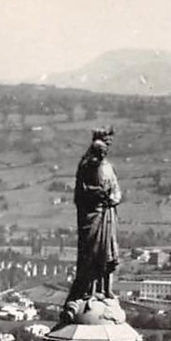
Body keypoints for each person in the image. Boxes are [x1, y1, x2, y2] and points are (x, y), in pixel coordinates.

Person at [65, 128, 122, 304]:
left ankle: (106, 289)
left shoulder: (109, 167)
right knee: (91, 252)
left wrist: (114, 198)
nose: (106, 151)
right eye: (103, 147)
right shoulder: (86, 166)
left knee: (108, 251)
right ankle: (88, 290)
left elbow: (116, 189)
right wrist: (97, 195)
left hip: (107, 214)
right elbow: (81, 193)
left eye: (107, 149)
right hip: (92, 215)